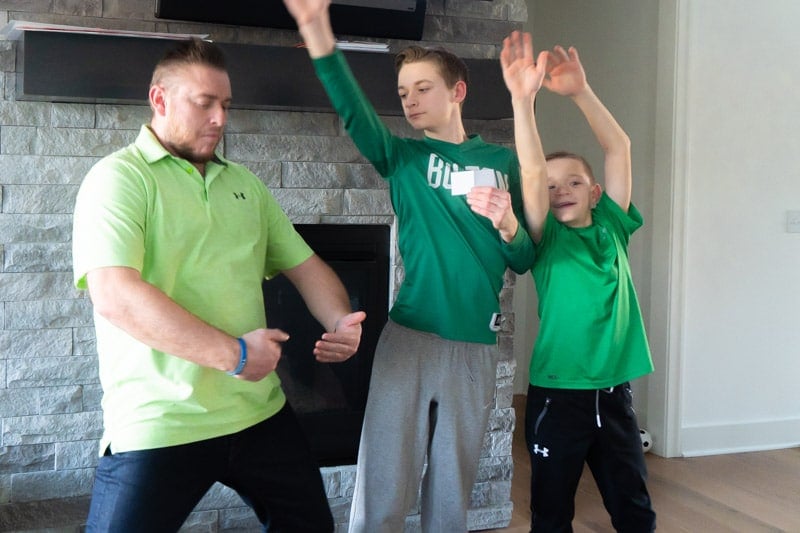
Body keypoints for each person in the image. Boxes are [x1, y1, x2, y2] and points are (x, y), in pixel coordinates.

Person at [71, 38, 366, 532]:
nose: (220, 118)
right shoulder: (119, 179)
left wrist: (341, 319)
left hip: (257, 413)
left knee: (311, 526)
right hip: (161, 421)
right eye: (203, 102)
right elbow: (115, 296)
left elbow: (306, 265)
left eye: (225, 104)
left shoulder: (245, 185)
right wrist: (237, 356)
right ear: (159, 100)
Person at [281, 1, 549, 531]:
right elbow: (356, 113)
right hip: (408, 340)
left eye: (422, 88)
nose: (410, 101)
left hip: (473, 348)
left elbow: (525, 259)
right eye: (403, 93)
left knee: (451, 489)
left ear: (457, 92)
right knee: (383, 482)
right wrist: (316, 28)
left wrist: (509, 226)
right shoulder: (404, 159)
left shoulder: (501, 165)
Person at [517, 43, 657, 531]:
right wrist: (524, 100)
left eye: (573, 183)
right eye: (551, 187)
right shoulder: (546, 236)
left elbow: (618, 147)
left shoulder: (612, 226)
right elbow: (531, 172)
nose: (560, 192)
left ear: (595, 193)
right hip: (558, 396)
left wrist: (580, 92)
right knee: (551, 514)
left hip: (614, 395)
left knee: (634, 510)